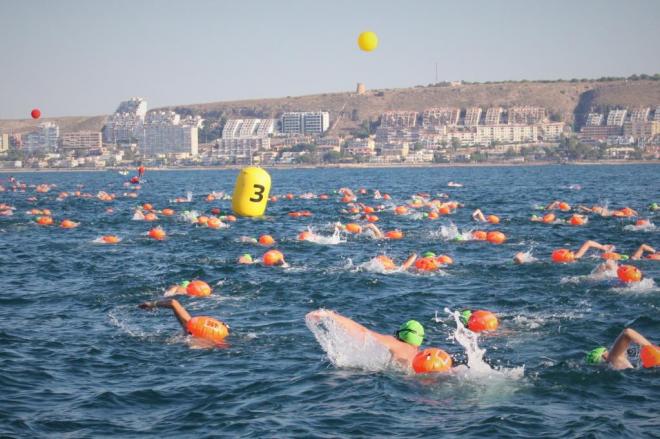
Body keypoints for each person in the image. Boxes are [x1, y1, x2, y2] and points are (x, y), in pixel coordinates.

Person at [306, 309, 423, 370]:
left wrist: (331, 315)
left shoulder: (395, 343)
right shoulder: (419, 354)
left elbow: (363, 332)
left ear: (400, 335)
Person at [139, 298, 229, 344]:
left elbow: (173, 302)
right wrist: (152, 304)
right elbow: (173, 303)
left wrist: (152, 304)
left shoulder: (191, 333)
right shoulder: (189, 324)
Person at [586, 328, 654, 370]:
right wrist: (652, 349)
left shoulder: (612, 368)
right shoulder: (613, 358)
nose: (611, 350)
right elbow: (627, 332)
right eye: (608, 351)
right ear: (604, 356)